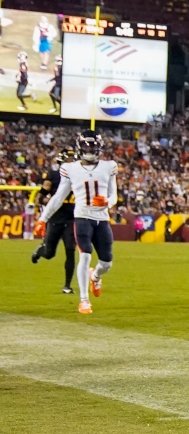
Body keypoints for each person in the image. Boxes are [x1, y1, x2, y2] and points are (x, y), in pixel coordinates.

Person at [33, 131, 118, 314]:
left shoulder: (109, 166)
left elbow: (114, 195)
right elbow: (57, 197)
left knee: (107, 263)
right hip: (81, 216)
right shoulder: (70, 168)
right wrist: (42, 219)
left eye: (93, 146)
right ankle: (84, 300)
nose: (91, 150)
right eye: (88, 146)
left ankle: (95, 276)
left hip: (102, 218)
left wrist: (107, 202)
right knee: (84, 255)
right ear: (80, 147)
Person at [31, 148, 78, 294]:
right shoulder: (53, 175)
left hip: (71, 219)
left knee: (70, 250)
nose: (71, 163)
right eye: (68, 160)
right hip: (56, 219)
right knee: (49, 253)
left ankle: (67, 286)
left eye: (72, 160)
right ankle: (40, 251)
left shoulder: (80, 176)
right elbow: (40, 197)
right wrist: (48, 201)